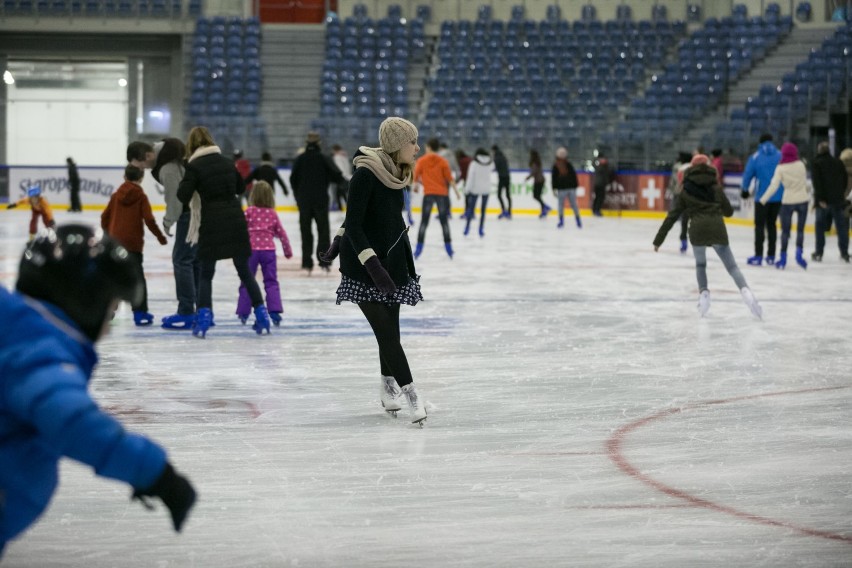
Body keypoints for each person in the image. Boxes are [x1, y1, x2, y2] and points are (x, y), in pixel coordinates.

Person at [0, 224, 196, 556]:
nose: (109, 326)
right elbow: (73, 422)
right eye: (112, 309)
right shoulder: (38, 354)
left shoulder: (15, 329)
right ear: (86, 301)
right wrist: (159, 475)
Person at [320, 117, 427, 425]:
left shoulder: (397, 175)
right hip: (365, 270)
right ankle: (411, 395)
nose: (417, 148)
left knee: (390, 333)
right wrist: (364, 260)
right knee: (388, 335)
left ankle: (387, 387)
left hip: (392, 265)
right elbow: (353, 222)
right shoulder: (365, 175)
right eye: (412, 142)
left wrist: (393, 265)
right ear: (397, 145)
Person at [177, 126, 271, 337]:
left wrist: (189, 174)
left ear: (191, 146)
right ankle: (262, 313)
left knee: (205, 273)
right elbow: (240, 188)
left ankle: (204, 316)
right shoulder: (228, 162)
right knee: (245, 272)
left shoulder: (194, 166)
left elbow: (182, 195)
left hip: (211, 222)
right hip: (235, 220)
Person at [653, 155, 762, 319]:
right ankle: (746, 293)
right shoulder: (716, 188)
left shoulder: (685, 190)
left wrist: (658, 240)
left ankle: (704, 296)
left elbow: (672, 216)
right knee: (732, 268)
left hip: (697, 230)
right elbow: (729, 212)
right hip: (717, 229)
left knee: (701, 265)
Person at [101, 165, 168, 326]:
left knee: (114, 276)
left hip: (115, 243)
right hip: (133, 244)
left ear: (125, 177)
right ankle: (140, 312)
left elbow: (104, 217)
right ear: (141, 178)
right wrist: (160, 237)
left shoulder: (116, 196)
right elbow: (149, 219)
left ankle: (108, 310)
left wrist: (107, 235)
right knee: (137, 278)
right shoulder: (141, 196)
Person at [154, 137, 199, 329]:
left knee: (182, 261)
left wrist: (167, 221)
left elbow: (175, 200)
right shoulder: (183, 165)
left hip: (188, 217)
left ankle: (187, 310)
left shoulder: (168, 169)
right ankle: (200, 308)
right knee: (193, 260)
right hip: (197, 214)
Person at [236, 181, 293, 326]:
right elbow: (281, 233)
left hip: (251, 252)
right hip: (268, 251)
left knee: (247, 281)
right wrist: (287, 251)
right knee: (271, 281)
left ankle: (243, 312)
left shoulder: (249, 211)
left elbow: (240, 230)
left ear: (253, 196)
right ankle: (274, 311)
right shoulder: (272, 213)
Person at [290, 132, 344, 274]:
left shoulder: (300, 159)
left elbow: (293, 179)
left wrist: (298, 196)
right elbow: (337, 175)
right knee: (323, 231)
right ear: (319, 143)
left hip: (304, 201)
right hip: (320, 200)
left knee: (306, 231)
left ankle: (307, 263)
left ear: (306, 143)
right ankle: (324, 261)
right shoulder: (324, 158)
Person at [759, 142, 810, 270]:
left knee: (785, 231)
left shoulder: (780, 168)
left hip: (788, 202)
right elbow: (804, 182)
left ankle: (783, 258)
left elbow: (774, 186)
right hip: (803, 199)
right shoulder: (801, 165)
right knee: (800, 230)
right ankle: (799, 254)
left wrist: (763, 199)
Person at [413, 137, 460, 258]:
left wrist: (416, 186)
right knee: (444, 222)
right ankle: (449, 248)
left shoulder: (422, 160)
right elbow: (450, 179)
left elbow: (416, 176)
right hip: (442, 195)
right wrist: (457, 192)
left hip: (428, 194)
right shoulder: (443, 161)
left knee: (424, 222)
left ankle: (418, 248)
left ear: (429, 147)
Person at [741, 133, 783, 266]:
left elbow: (748, 174)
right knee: (772, 225)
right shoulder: (780, 155)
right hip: (778, 196)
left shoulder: (756, 157)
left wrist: (745, 190)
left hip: (762, 198)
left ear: (760, 142)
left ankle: (758, 255)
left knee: (759, 226)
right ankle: (771, 255)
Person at [811, 142, 850, 262]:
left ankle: (819, 252)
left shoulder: (817, 163)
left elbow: (817, 183)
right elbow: (845, 180)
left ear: (819, 150)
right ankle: (844, 253)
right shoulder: (838, 162)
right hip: (838, 200)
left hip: (823, 202)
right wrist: (841, 194)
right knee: (842, 227)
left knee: (820, 227)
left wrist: (820, 199)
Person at [463, 147, 494, 237]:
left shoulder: (474, 163)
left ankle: (467, 228)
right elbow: (493, 168)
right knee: (483, 211)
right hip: (486, 189)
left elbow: (470, 177)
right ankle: (481, 229)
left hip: (475, 189)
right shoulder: (490, 163)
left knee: (471, 209)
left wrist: (467, 189)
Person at [551, 147, 582, 229]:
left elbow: (554, 178)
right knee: (573, 205)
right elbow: (574, 176)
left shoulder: (559, 165)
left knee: (563, 205)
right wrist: (575, 185)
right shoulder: (567, 164)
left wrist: (554, 188)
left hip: (564, 188)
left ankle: (563, 221)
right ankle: (577, 220)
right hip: (568, 188)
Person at [526, 149, 550, 218]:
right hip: (540, 180)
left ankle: (545, 207)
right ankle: (544, 209)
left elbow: (534, 172)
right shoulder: (537, 162)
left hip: (539, 181)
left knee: (536, 196)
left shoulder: (535, 163)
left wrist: (528, 177)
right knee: (537, 196)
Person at [330, 144, 353, 212]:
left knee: (339, 195)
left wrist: (339, 177)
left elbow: (340, 168)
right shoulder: (344, 156)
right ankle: (345, 209)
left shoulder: (337, 157)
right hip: (348, 177)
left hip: (342, 178)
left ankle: (341, 210)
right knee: (342, 194)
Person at [492, 144, 512, 219]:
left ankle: (504, 210)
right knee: (508, 195)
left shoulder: (496, 157)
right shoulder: (503, 156)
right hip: (507, 177)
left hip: (502, 177)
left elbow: (495, 167)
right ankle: (509, 212)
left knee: (499, 195)